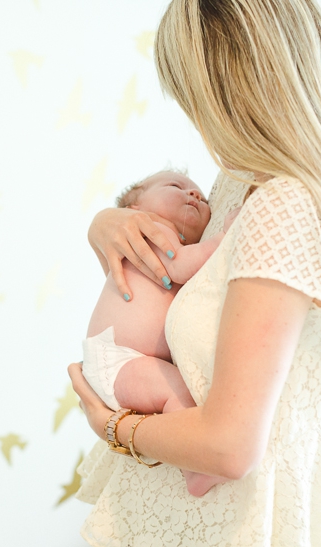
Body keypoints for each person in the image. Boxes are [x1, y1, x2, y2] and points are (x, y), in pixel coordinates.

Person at [69, 0, 321, 545]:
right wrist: (108, 222)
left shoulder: (283, 205)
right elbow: (172, 278)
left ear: (223, 88)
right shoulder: (236, 184)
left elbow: (229, 446)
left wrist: (112, 427)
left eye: (192, 96)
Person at [83, 169, 238, 497]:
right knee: (179, 394)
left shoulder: (167, 239)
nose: (194, 195)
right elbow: (180, 266)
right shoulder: (147, 230)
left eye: (202, 196)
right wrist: (227, 237)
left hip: (125, 359)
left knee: (179, 392)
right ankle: (195, 468)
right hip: (118, 360)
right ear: (134, 204)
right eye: (176, 186)